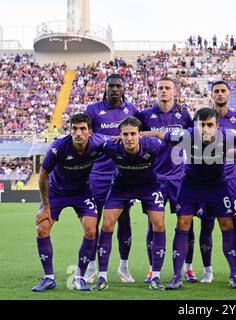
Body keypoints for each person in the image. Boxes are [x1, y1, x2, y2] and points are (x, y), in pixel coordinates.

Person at [149, 108, 236, 290]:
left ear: (218, 126)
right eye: (202, 125)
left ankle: (234, 276)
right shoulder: (186, 135)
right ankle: (176, 277)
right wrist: (139, 133)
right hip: (190, 186)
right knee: (182, 226)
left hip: (217, 187)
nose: (205, 129)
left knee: (228, 226)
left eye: (210, 125)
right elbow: (160, 134)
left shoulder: (228, 135)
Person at [90, 117, 167, 291]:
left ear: (140, 134)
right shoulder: (111, 146)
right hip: (121, 187)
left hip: (149, 187)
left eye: (133, 134)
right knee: (107, 224)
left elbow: (168, 141)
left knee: (159, 225)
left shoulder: (153, 145)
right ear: (120, 135)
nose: (129, 138)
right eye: (125, 134)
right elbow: (92, 142)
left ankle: (155, 276)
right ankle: (102, 277)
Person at [32, 113, 105, 292]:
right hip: (57, 192)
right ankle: (48, 278)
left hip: (82, 192)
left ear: (90, 132)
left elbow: (118, 139)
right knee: (42, 229)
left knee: (90, 231)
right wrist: (46, 207)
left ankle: (80, 277)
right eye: (74, 129)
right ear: (70, 130)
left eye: (82, 129)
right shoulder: (58, 147)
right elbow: (43, 176)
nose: (78, 133)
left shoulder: (99, 143)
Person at [137, 77, 196, 284]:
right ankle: (153, 269)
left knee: (186, 223)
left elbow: (194, 137)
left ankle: (188, 268)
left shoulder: (184, 115)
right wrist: (155, 133)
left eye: (167, 88)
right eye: (160, 87)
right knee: (153, 225)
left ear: (174, 91)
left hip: (180, 178)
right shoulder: (145, 115)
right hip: (154, 178)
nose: (164, 91)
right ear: (156, 91)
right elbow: (134, 135)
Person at [83, 74, 139, 284]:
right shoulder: (93, 110)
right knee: (93, 220)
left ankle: (123, 267)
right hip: (98, 174)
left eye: (118, 86)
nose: (115, 89)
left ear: (123, 89)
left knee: (124, 218)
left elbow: (139, 135)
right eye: (111, 86)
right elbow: (88, 136)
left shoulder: (131, 110)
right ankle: (91, 266)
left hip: (124, 174)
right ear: (105, 88)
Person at [196, 81, 236, 284]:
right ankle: (207, 270)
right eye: (216, 91)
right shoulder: (203, 117)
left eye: (223, 91)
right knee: (206, 224)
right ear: (211, 94)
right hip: (207, 179)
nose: (219, 94)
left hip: (230, 178)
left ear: (229, 93)